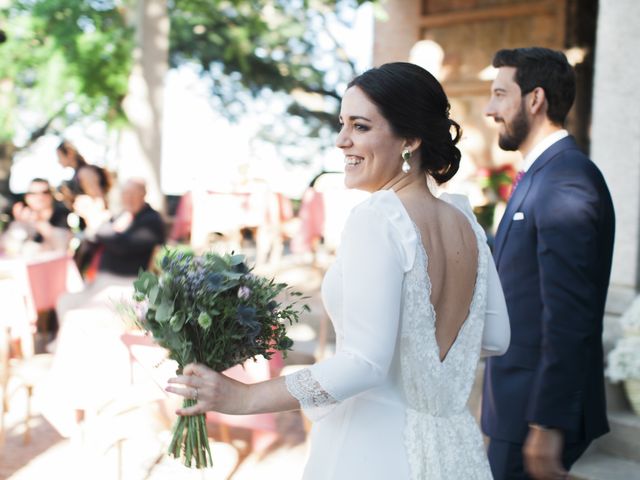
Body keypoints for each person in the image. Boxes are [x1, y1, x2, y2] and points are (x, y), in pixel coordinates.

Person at [166, 62, 510, 479]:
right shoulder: (467, 224)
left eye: (361, 126)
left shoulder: (379, 217)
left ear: (411, 139)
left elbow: (364, 363)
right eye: (342, 123)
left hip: (370, 451)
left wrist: (243, 398)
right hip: (454, 452)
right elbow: (496, 337)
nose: (341, 140)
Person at [481, 47, 615, 480]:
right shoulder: (541, 176)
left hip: (533, 411)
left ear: (534, 99)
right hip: (515, 405)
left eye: (501, 94)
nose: (490, 109)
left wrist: (547, 422)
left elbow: (569, 313)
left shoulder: (566, 180)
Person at [4, 178, 71, 252]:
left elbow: (63, 247)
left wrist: (40, 222)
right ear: (26, 197)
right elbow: (10, 249)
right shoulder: (21, 219)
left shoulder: (64, 215)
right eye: (33, 193)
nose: (40, 197)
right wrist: (19, 222)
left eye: (45, 192)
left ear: (52, 195)